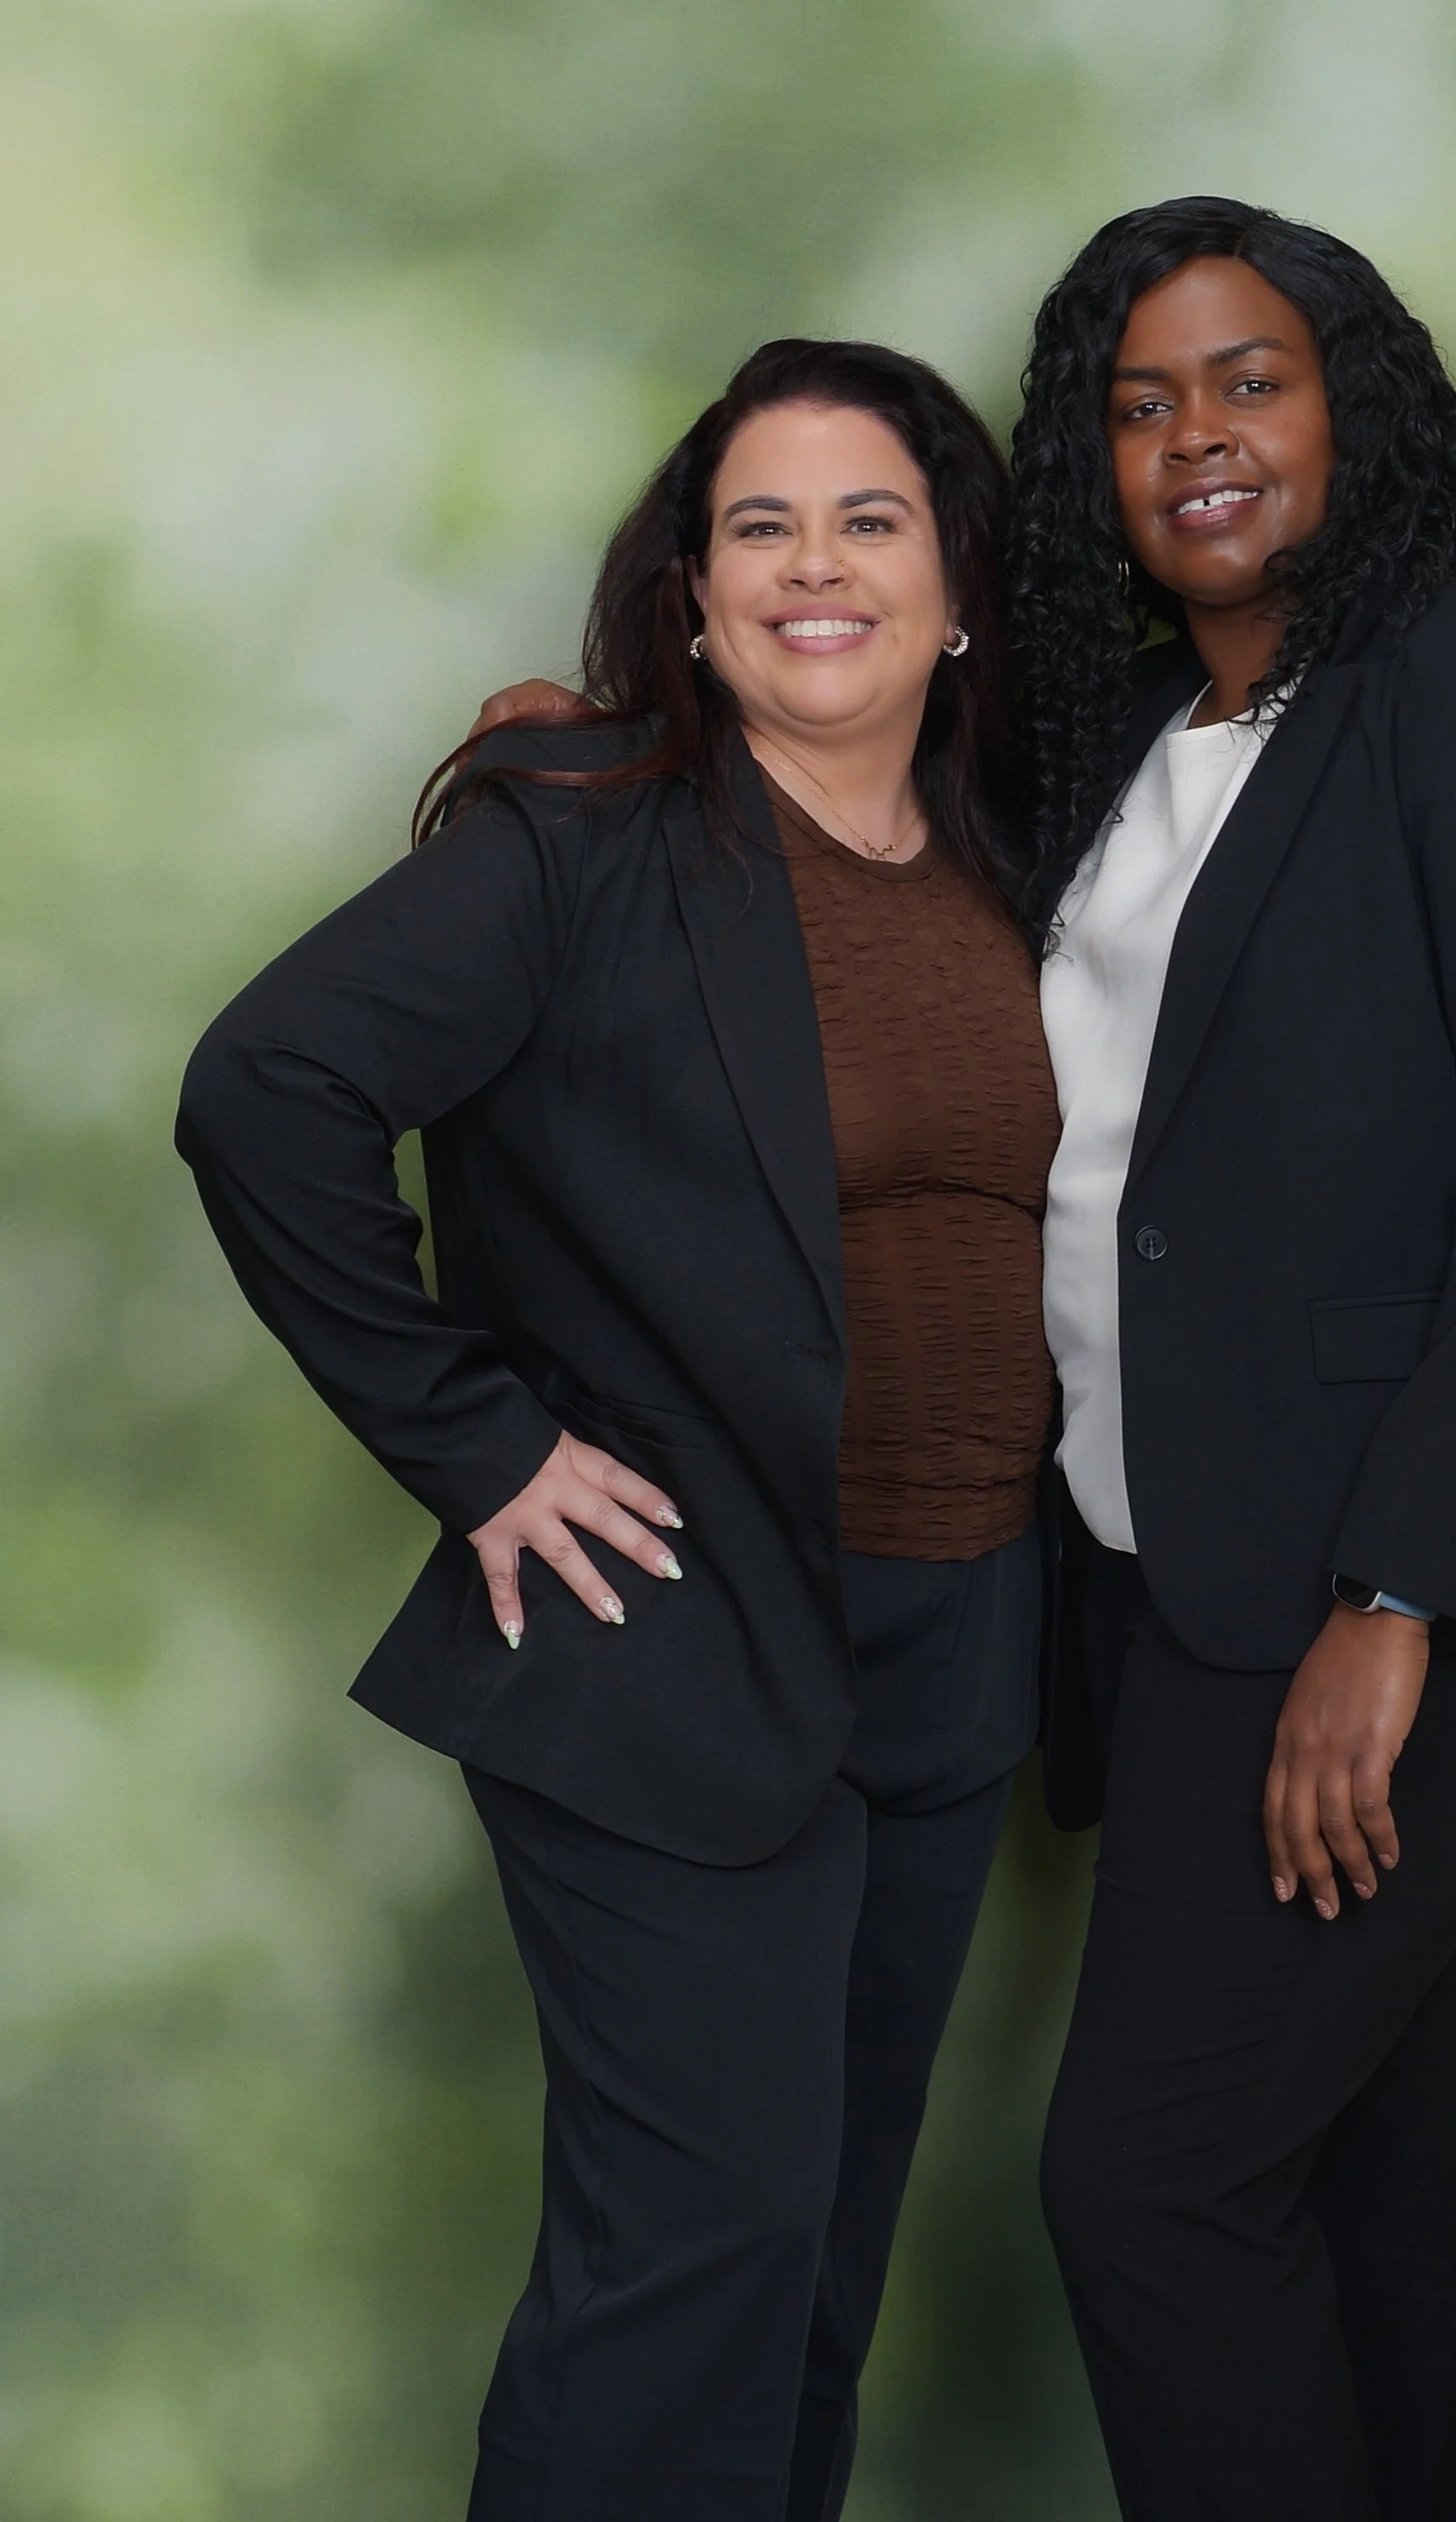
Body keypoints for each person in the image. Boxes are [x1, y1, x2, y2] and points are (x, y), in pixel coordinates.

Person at [177, 338, 1058, 2522]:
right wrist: (473, 1444)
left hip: (955, 1645)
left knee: (821, 2283)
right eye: (759, 524)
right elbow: (264, 1093)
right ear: (689, 593)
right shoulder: (579, 840)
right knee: (694, 2269)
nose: (814, 567)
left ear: (960, 594)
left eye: (874, 520)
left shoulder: (1007, 868)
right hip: (677, 1641)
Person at [1002, 198, 1456, 2522]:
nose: (1193, 436)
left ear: (1351, 405)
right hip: (1173, 1565)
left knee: (1152, 2188)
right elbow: (849, 770)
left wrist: (1394, 1602)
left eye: (1248, 379)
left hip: (1418, 1580)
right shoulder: (1120, 738)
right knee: (1343, 2185)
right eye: (1137, 404)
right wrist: (590, 728)